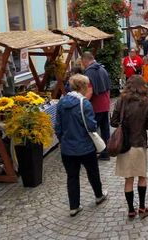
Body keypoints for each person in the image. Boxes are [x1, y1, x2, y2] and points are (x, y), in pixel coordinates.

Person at [55, 74, 108, 217]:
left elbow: (57, 126)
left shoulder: (61, 102)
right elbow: (91, 126)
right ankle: (98, 195)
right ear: (82, 87)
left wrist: (63, 139)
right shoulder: (84, 103)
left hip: (67, 148)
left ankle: (74, 206)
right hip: (85, 146)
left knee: (72, 176)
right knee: (93, 172)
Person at [110, 75, 148, 219]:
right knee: (142, 177)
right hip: (140, 144)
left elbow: (113, 122)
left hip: (125, 145)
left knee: (128, 180)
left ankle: (130, 210)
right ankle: (142, 207)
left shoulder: (121, 101)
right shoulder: (146, 102)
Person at [81, 52, 112, 161]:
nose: (82, 65)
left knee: (92, 131)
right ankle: (105, 152)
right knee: (105, 130)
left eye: (82, 62)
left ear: (85, 60)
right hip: (105, 104)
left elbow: (89, 91)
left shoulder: (89, 72)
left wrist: (81, 102)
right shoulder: (102, 68)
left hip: (96, 106)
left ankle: (89, 154)